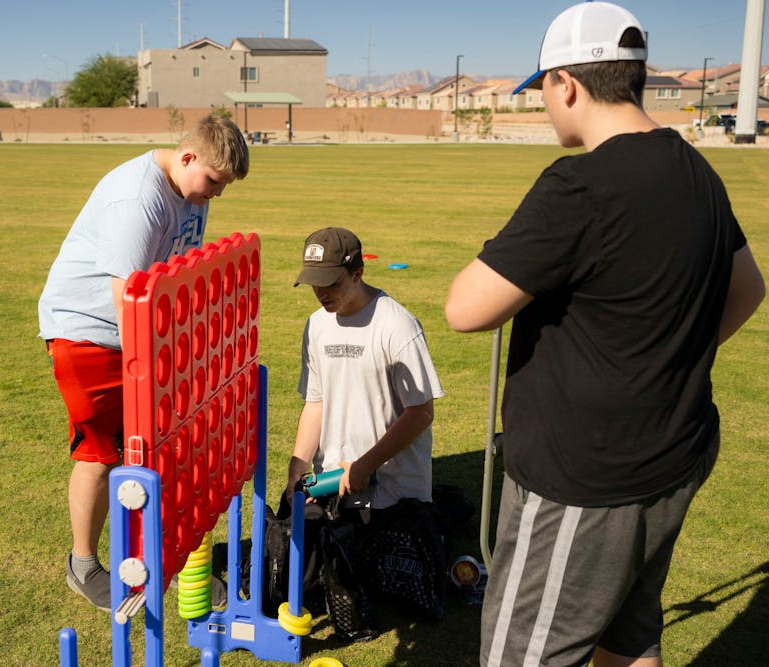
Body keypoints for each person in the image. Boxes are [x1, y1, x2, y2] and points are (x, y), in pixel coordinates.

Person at [443, 3, 765, 666]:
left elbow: (465, 308)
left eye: (544, 92)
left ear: (568, 84)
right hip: (675, 455)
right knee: (627, 637)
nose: (546, 107)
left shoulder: (579, 184)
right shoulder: (695, 169)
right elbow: (748, 288)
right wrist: (664, 360)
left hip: (584, 480)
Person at [38, 113, 249, 611]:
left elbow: (177, 276)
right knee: (102, 452)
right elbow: (124, 298)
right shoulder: (140, 198)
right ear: (188, 157)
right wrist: (157, 365)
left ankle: (162, 559)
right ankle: (83, 563)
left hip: (144, 337)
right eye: (214, 181)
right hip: (88, 334)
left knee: (161, 451)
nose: (216, 194)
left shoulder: (190, 191)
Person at [286, 227, 444, 513]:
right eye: (315, 283)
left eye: (332, 283)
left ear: (357, 274)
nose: (321, 293)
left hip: (394, 496)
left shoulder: (397, 325)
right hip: (331, 487)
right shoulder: (317, 325)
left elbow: (421, 412)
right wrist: (297, 468)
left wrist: (365, 465)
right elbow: (316, 403)